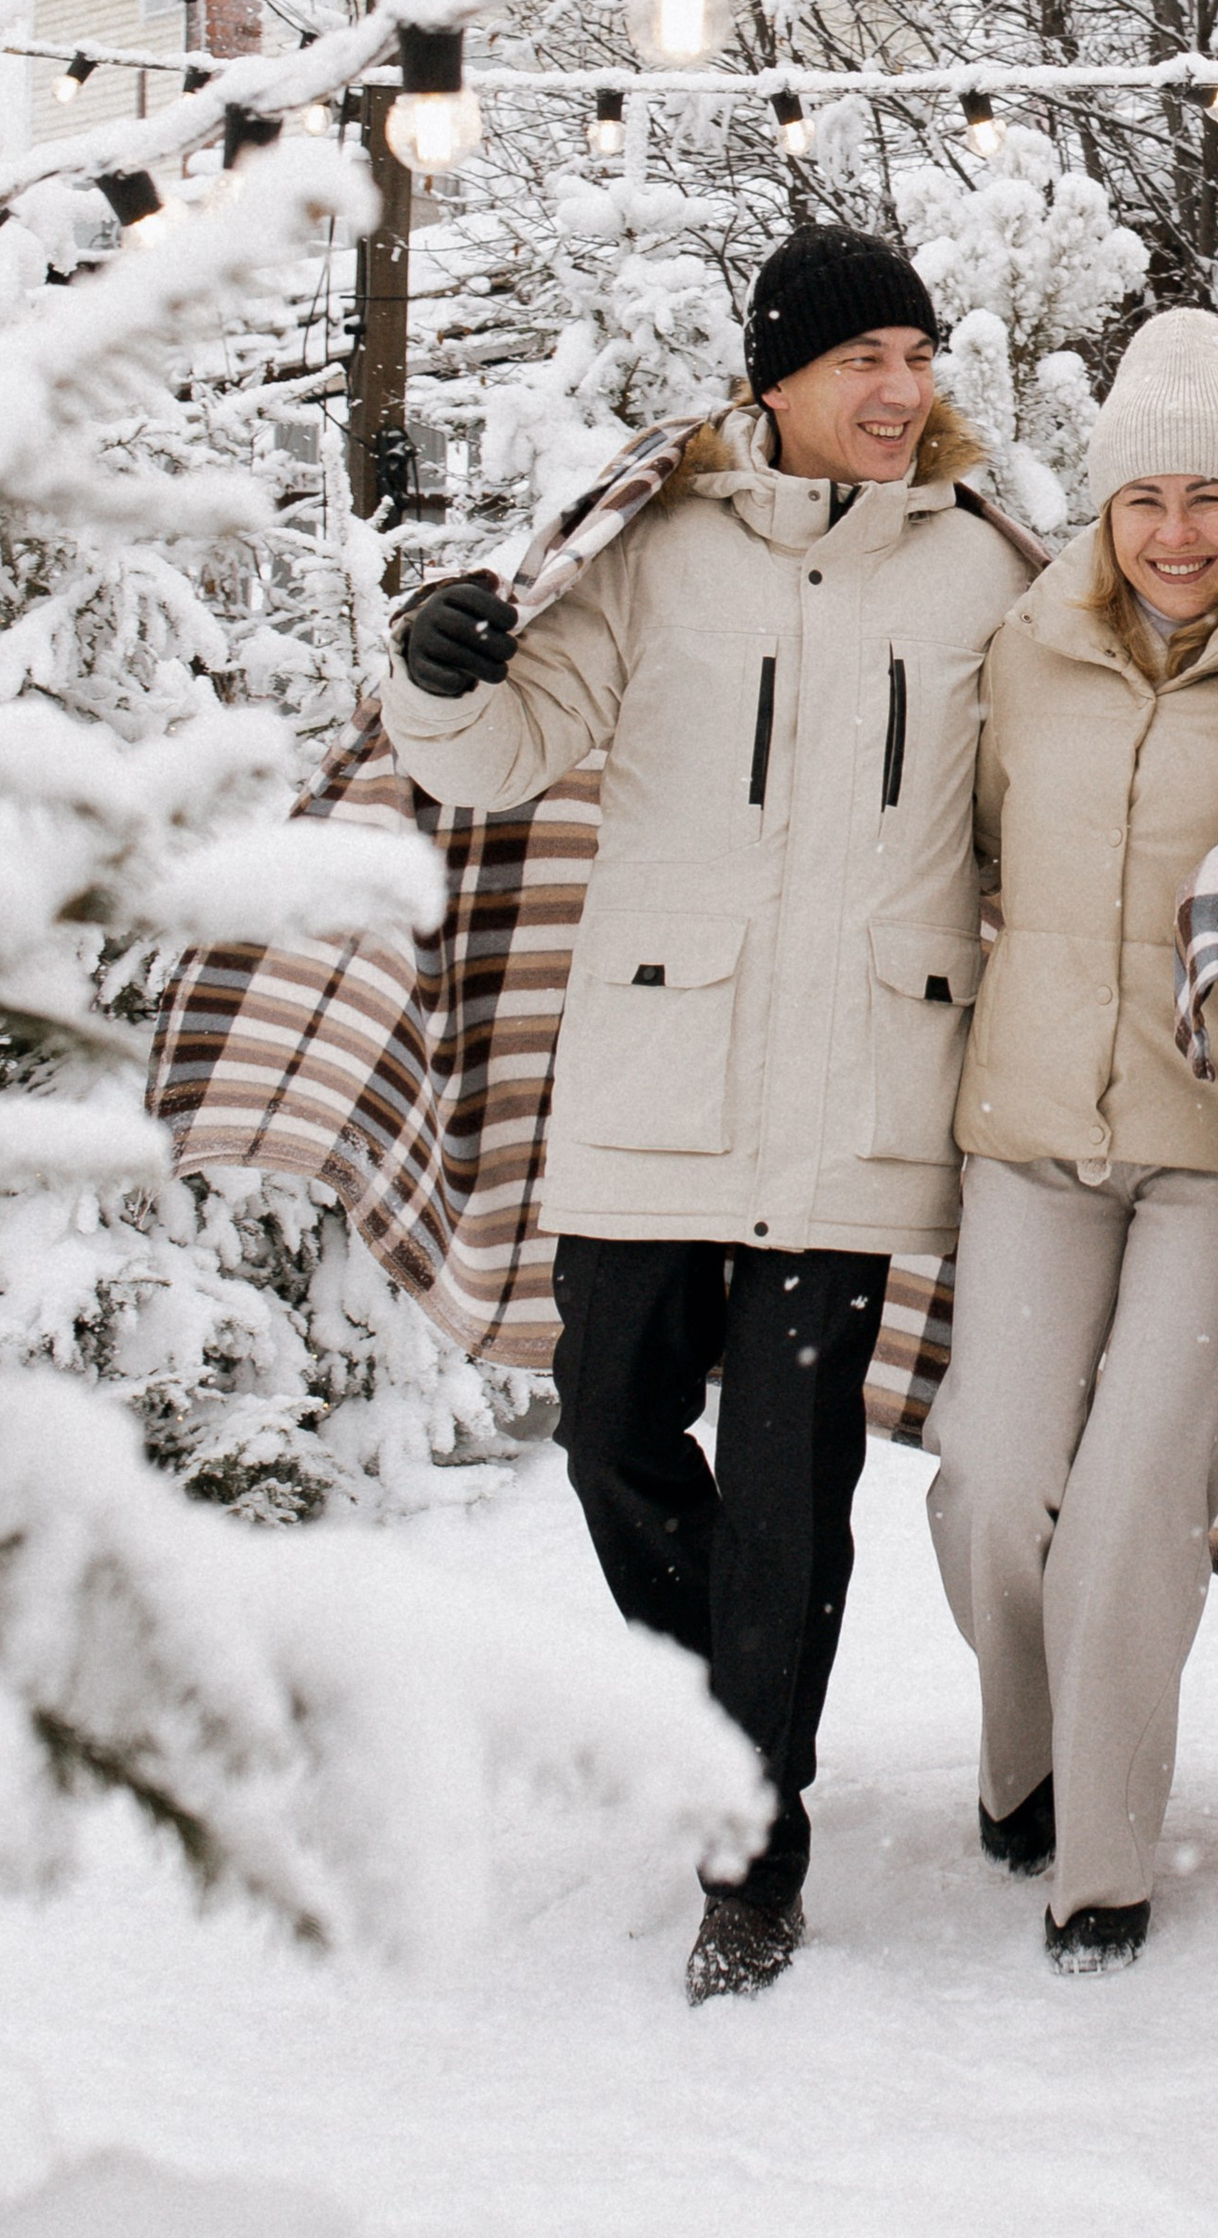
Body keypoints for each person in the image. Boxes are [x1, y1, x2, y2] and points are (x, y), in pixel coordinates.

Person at [382, 224, 1035, 2002]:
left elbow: (1042, 799)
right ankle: (718, 1714)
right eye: (860, 363)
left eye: (916, 356)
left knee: (785, 1494)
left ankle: (755, 1837)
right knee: (607, 1437)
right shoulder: (662, 558)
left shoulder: (982, 578)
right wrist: (435, 673)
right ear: (776, 386)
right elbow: (500, 754)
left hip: (859, 1091)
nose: (901, 393)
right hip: (658, 1076)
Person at [925, 309, 1218, 1974]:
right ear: (1100, 510)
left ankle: (1101, 1855)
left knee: (1136, 1503)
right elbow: (979, 846)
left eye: (1210, 498)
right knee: (991, 1487)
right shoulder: (1025, 646)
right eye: (1142, 497)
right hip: (1028, 1134)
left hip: (1217, 1152)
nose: (1174, 532)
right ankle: (1025, 1765)